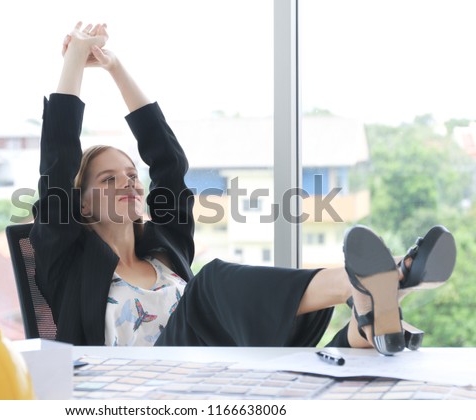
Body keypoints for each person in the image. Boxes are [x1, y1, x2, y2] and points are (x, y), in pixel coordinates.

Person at [29, 22, 456, 355]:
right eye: (108, 179)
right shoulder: (67, 263)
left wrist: (116, 66)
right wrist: (77, 57)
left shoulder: (165, 247)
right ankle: (376, 281)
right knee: (210, 284)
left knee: (336, 352)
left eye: (129, 174)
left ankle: (368, 318)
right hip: (140, 389)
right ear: (79, 203)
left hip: (208, 368)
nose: (127, 180)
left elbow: (168, 162)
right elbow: (59, 159)